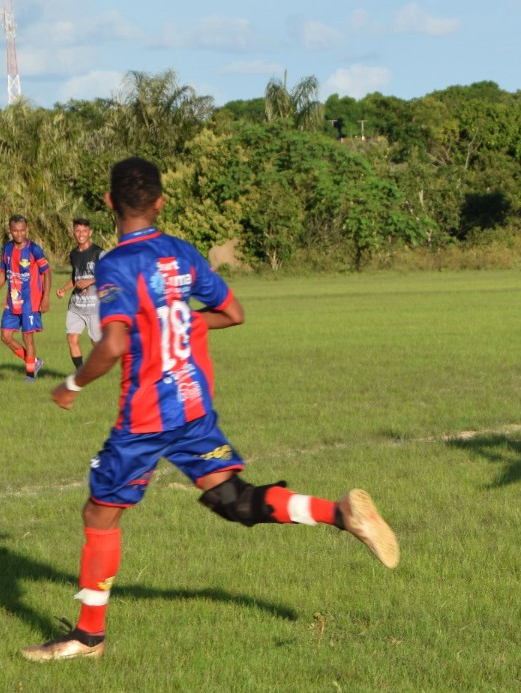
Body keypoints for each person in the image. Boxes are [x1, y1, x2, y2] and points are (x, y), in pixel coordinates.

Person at [21, 157, 399, 662]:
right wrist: (184, 321)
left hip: (146, 417)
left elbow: (110, 345)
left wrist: (70, 384)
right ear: (159, 202)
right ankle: (340, 514)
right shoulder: (182, 254)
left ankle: (88, 637)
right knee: (233, 501)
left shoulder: (114, 264)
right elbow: (232, 314)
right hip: (192, 406)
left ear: (110, 203)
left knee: (99, 513)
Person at [0, 214, 51, 382]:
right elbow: (3, 274)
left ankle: (30, 376)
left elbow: (47, 273)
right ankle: (34, 362)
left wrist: (46, 298)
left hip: (30, 302)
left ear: (27, 229)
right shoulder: (7, 249)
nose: (19, 234)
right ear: (10, 230)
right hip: (12, 301)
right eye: (15, 230)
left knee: (27, 337)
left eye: (22, 230)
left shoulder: (34, 249)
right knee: (5, 337)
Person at [55, 218, 103, 369]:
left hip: (94, 306)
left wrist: (90, 281)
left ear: (90, 233)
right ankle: (80, 373)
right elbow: (75, 276)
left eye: (84, 231)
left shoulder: (99, 253)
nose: (81, 234)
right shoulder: (73, 254)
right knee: (71, 338)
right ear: (73, 233)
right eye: (78, 231)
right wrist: (64, 288)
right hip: (76, 305)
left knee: (97, 343)